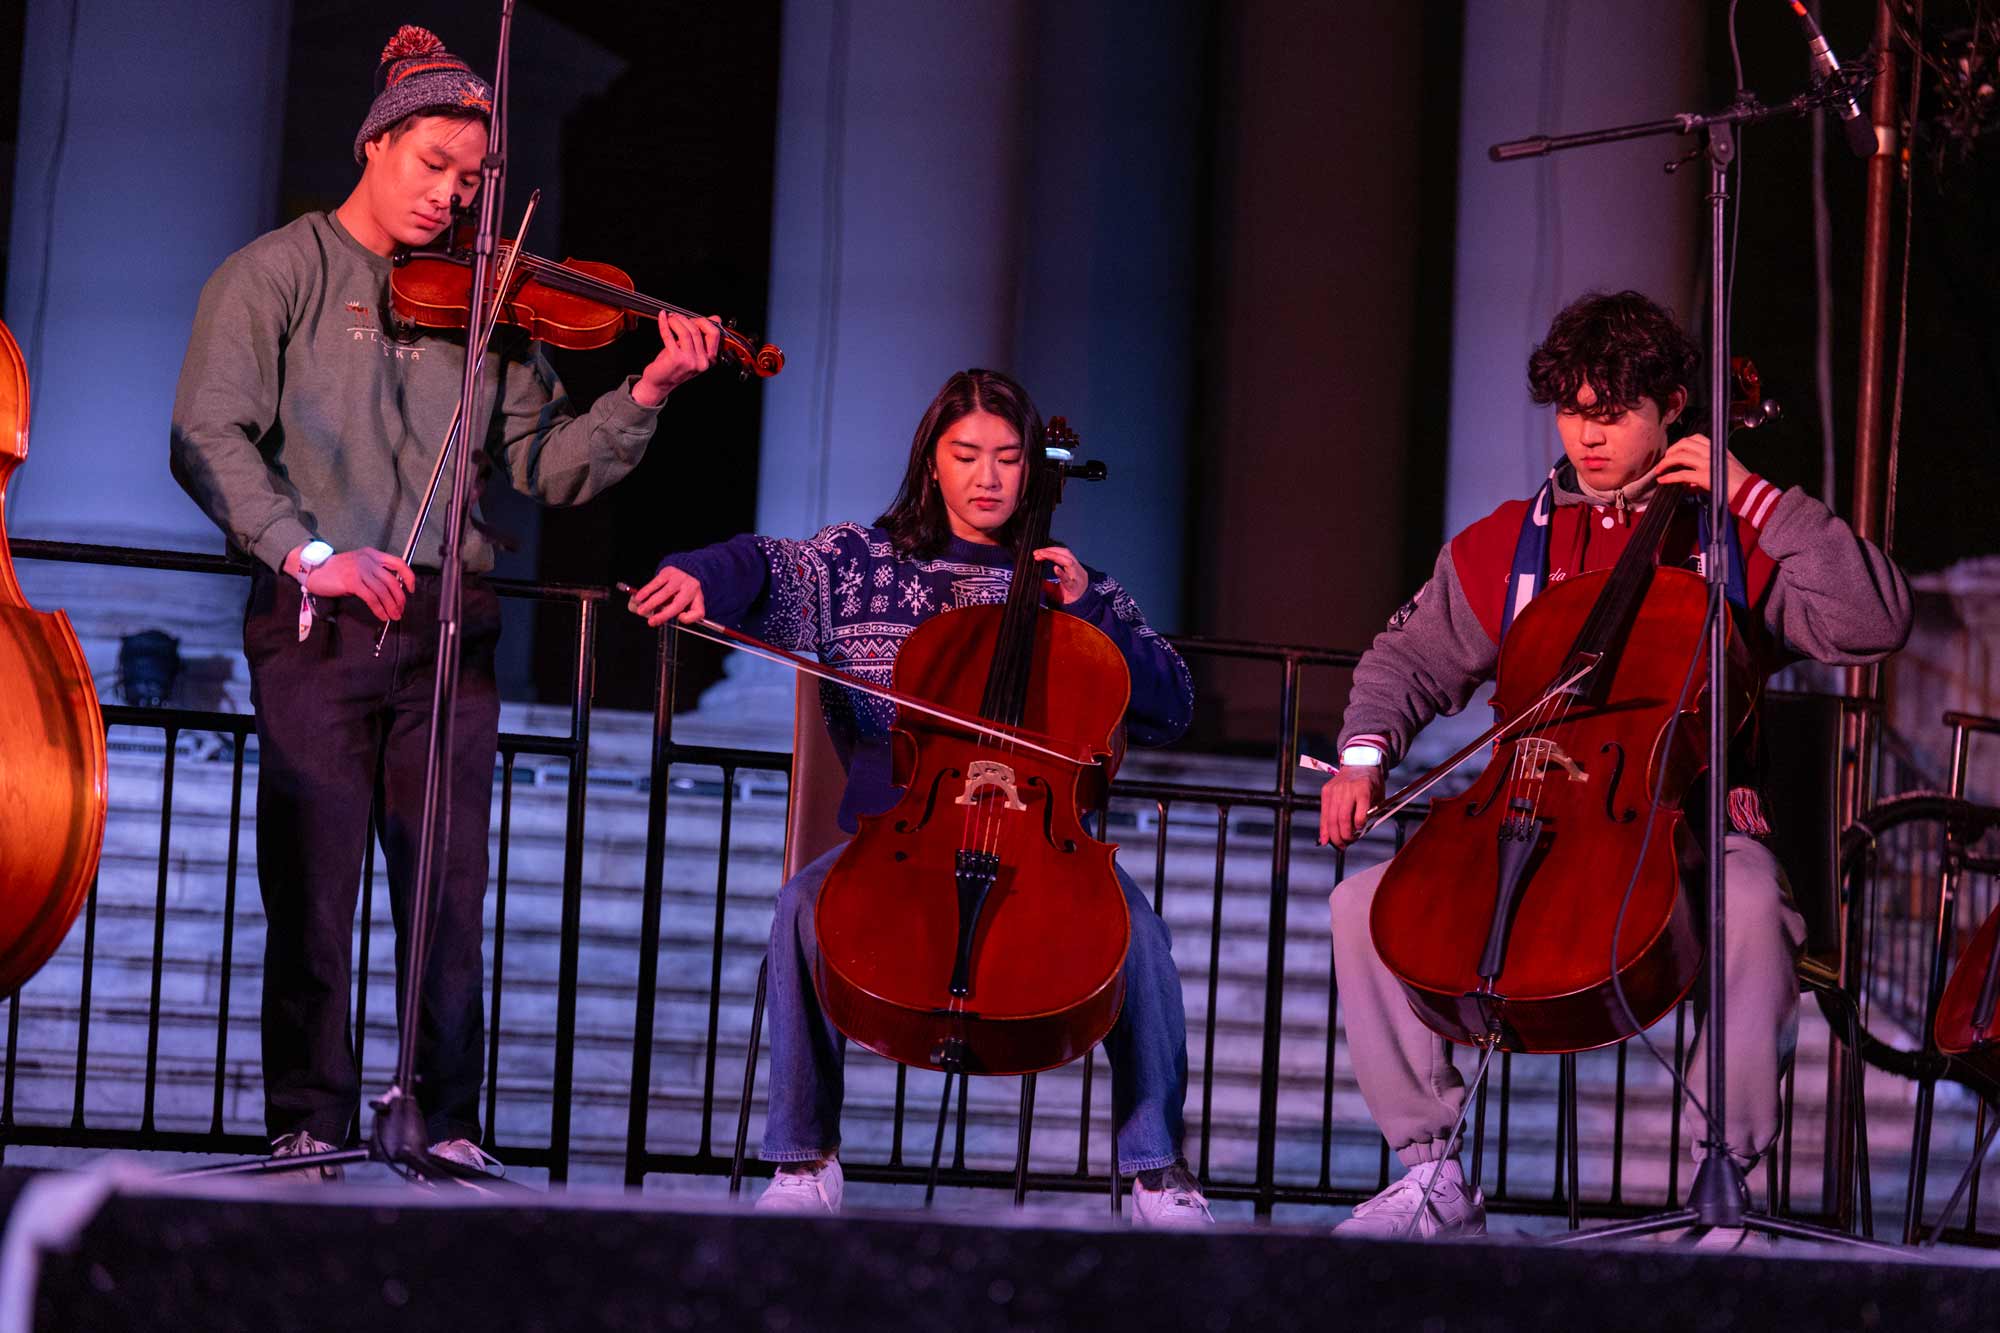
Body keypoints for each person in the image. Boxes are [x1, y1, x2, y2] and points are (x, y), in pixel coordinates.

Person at [171, 24, 720, 1178]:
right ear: (375, 142)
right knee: (314, 884)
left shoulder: (491, 306)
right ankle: (311, 1119)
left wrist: (650, 388)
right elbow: (206, 432)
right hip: (319, 617)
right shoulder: (278, 273)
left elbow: (548, 466)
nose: (450, 196)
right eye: (432, 165)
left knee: (446, 888)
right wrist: (306, 551)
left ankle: (442, 1117)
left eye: (471, 180)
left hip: (449, 626)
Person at [1318, 290, 1913, 1238]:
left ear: (1673, 406)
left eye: (1612, 413)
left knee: (1753, 908)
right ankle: (1430, 1172)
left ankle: (1724, 1175)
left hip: (1683, 827)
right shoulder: (1513, 543)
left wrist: (1754, 495)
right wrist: (1361, 755)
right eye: (1572, 412)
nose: (1587, 438)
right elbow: (1408, 659)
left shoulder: (1730, 535)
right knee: (1363, 905)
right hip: (1527, 819)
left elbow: (1873, 623)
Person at [627, 368, 1212, 1226]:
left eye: (1009, 459)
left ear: (1031, 472)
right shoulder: (860, 562)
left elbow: (1171, 705)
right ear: (930, 462)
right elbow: (763, 563)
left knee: (1141, 936)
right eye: (966, 454)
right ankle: (803, 1161)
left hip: (1041, 849)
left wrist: (1099, 611)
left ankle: (1157, 1172)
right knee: (800, 904)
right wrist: (698, 576)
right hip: (899, 838)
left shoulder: (1073, 592)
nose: (988, 478)